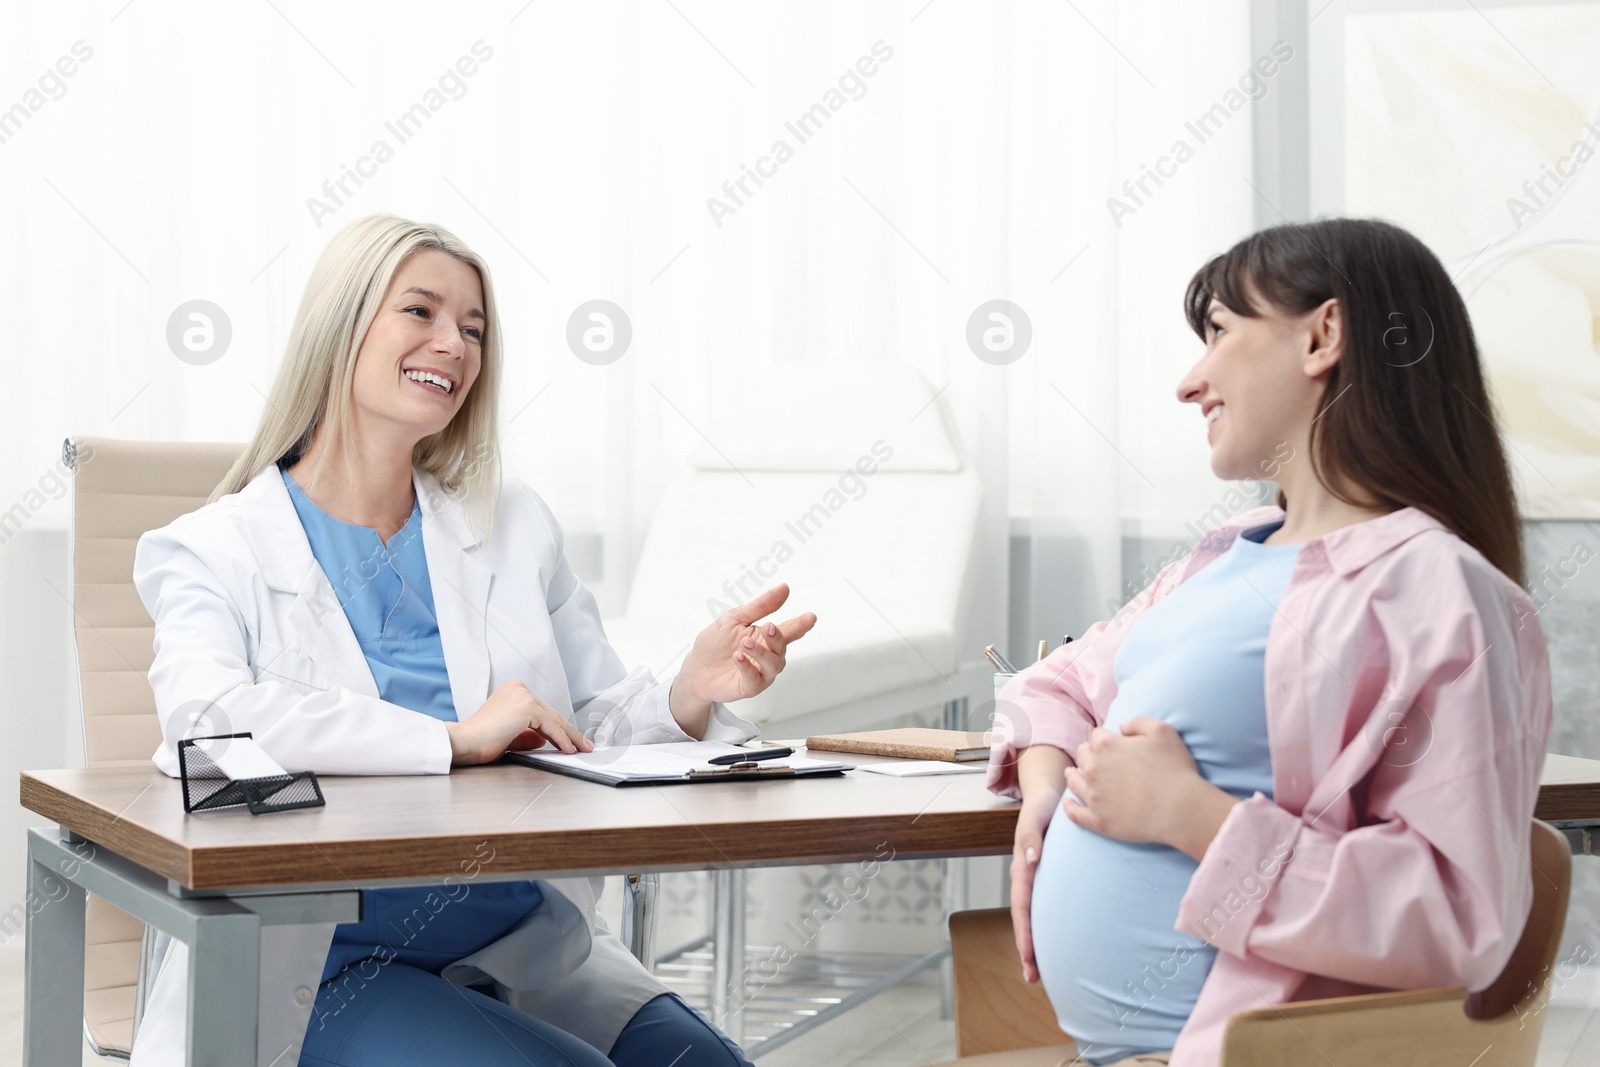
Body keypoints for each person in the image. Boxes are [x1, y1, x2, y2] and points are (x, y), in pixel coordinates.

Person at [130, 214, 817, 1066]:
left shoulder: (512, 523)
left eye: (474, 328)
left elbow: (591, 726)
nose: (452, 342)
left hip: (525, 945)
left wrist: (691, 692)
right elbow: (206, 727)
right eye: (419, 311)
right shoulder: (212, 547)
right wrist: (452, 741)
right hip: (326, 962)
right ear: (340, 324)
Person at [992, 218, 1552, 1067]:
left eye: (1218, 331)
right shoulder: (1222, 557)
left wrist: (1191, 816)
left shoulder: (1440, 591)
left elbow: (1455, 914)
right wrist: (1048, 789)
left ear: (1323, 335)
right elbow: (1056, 684)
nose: (1190, 383)